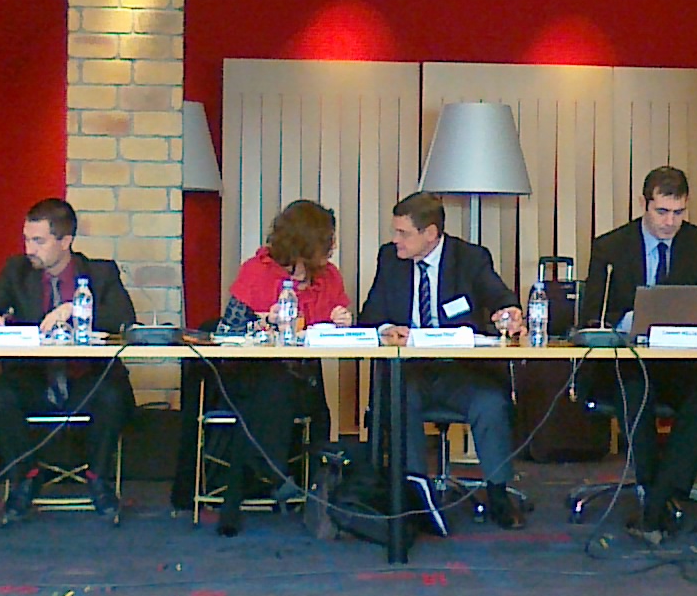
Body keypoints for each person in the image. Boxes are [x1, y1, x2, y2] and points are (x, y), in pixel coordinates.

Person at [359, 191, 526, 529]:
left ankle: (498, 492)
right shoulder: (390, 259)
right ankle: (415, 493)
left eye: (403, 233)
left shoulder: (470, 258)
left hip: (461, 371)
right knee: (400, 398)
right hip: (409, 371)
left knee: (490, 404)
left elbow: (499, 296)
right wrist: (388, 329)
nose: (395, 240)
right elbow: (370, 316)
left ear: (431, 233)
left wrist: (508, 312)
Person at [0, 197, 134, 526]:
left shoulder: (100, 272)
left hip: (86, 379)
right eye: (27, 239)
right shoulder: (17, 271)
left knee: (113, 395)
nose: (29, 249)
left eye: (39, 241)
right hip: (35, 378)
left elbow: (124, 318)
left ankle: (98, 478)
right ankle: (26, 476)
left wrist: (76, 309)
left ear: (65, 241)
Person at [583, 166, 697, 540]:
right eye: (662, 212)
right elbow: (593, 314)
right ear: (644, 204)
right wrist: (632, 319)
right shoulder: (611, 247)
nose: (669, 222)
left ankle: (657, 500)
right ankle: (659, 499)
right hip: (629, 360)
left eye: (678, 213)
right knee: (635, 398)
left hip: (680, 360)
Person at [211, 199, 350, 537]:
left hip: (302, 377)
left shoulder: (329, 277)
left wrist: (341, 321)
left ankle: (266, 476)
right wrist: (262, 320)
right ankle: (273, 474)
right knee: (270, 387)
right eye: (326, 240)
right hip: (252, 375)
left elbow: (333, 332)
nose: (331, 247)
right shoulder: (256, 270)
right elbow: (226, 331)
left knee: (279, 392)